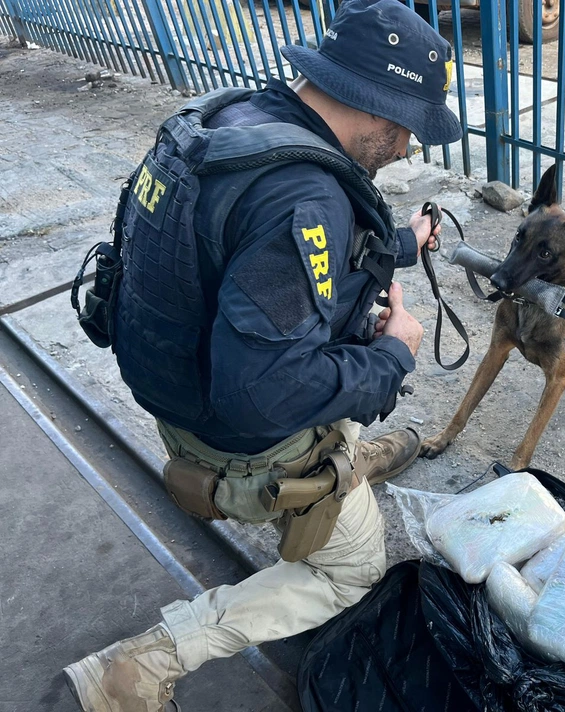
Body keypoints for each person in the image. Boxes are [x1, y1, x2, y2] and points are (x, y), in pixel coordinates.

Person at [63, 0, 462, 709]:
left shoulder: (232, 122)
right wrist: (395, 356)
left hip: (178, 387)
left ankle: (344, 463)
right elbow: (262, 392)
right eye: (406, 129)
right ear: (374, 107)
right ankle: (143, 664)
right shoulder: (301, 201)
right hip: (236, 434)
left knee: (344, 344)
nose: (406, 148)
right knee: (351, 570)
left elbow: (246, 250)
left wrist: (398, 242)